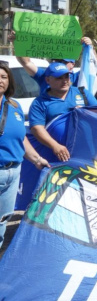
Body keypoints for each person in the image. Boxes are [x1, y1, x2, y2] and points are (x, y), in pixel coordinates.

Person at [0, 62, 49, 246]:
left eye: (4, 77)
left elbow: (21, 138)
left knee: (2, 220)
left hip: (13, 173)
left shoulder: (14, 106)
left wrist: (37, 159)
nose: (0, 81)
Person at [29, 63, 97, 161]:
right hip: (57, 156)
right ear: (48, 80)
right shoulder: (39, 102)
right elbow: (37, 129)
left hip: (86, 153)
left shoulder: (82, 93)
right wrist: (55, 146)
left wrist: (85, 112)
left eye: (67, 76)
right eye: (59, 78)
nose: (65, 81)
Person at [11, 33, 93, 92]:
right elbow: (26, 63)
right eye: (57, 60)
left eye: (63, 62)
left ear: (72, 64)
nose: (59, 64)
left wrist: (89, 47)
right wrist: (18, 43)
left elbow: (91, 64)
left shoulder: (79, 77)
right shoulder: (45, 75)